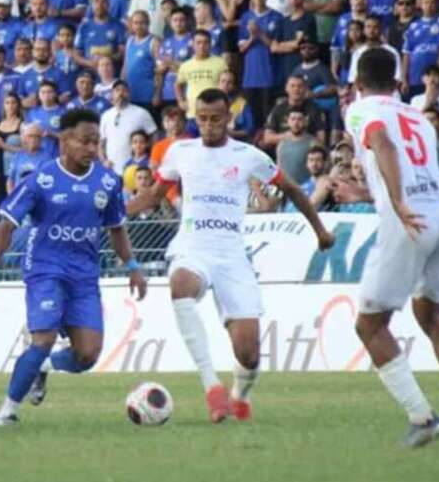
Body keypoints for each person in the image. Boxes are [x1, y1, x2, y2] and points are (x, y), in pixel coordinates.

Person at [126, 88, 334, 423]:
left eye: (215, 119)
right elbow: (153, 196)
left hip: (232, 255)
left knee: (249, 354)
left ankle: (239, 395)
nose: (208, 126)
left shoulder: (248, 155)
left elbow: (292, 189)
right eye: (202, 119)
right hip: (193, 246)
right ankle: (212, 387)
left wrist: (320, 231)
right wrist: (118, 212)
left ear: (228, 119)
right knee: (179, 285)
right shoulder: (181, 152)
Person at [343, 47, 439, 447]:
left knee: (369, 325)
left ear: (358, 84)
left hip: (408, 222)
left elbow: (382, 144)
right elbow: (408, 162)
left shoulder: (360, 110)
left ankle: (422, 418)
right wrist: (366, 190)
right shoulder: (417, 117)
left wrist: (399, 202)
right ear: (398, 81)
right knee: (430, 315)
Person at [0, 108, 147, 426]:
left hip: (84, 275)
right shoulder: (41, 179)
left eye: (96, 142)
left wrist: (133, 265)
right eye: (85, 142)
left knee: (88, 355)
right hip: (45, 269)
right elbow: (6, 227)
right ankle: (8, 411)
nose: (92, 149)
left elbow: (117, 228)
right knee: (44, 338)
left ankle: (44, 367)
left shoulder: (107, 181)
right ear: (65, 141)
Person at [99, 80, 157, 175]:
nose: (121, 93)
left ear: (129, 94)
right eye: (117, 90)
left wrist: (151, 158)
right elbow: (101, 144)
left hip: (137, 171)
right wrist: (104, 161)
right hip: (112, 170)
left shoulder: (141, 113)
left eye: (124, 90)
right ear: (112, 94)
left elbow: (154, 136)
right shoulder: (105, 115)